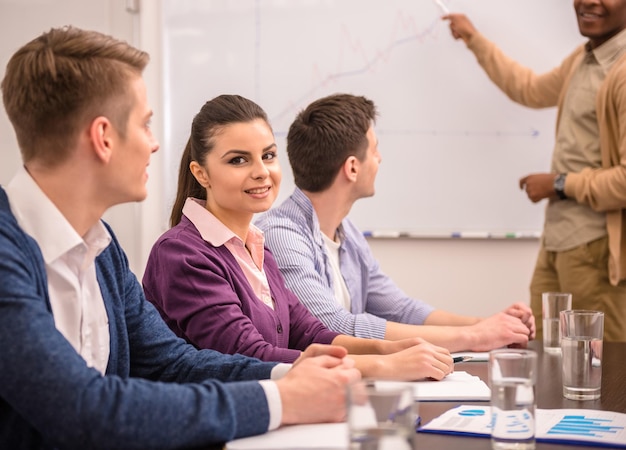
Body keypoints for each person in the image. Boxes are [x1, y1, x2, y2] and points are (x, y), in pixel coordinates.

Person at [0, 27, 363, 449]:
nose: (154, 145)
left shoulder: (101, 249)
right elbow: (86, 408)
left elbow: (173, 362)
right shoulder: (8, 252)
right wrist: (282, 399)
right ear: (103, 138)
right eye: (145, 124)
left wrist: (289, 373)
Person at [142, 94, 454, 382]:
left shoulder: (255, 246)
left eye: (268, 155)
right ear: (201, 173)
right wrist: (383, 366)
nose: (262, 171)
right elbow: (248, 355)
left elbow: (309, 332)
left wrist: (387, 349)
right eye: (238, 160)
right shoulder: (182, 254)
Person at [255, 93, 536, 352]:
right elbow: (334, 327)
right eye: (374, 150)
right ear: (352, 167)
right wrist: (474, 337)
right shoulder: (280, 235)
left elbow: (400, 309)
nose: (379, 158)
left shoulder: (347, 233)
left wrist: (487, 324)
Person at [442, 0, 626, 342]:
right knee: (543, 356)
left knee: (602, 373)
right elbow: (529, 88)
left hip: (597, 248)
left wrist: (558, 184)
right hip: (561, 240)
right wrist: (474, 39)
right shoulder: (584, 57)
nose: (589, 2)